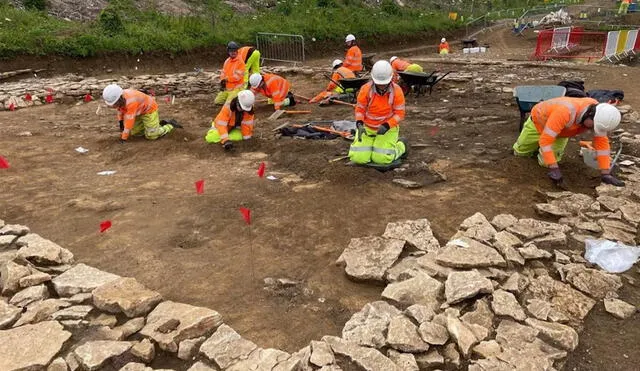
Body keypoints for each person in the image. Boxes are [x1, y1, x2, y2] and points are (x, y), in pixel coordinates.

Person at [512, 97, 624, 187]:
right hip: (538, 122)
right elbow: (545, 141)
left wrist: (606, 173)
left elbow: (602, 145)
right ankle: (530, 149)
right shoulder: (565, 112)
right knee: (520, 154)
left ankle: (541, 154)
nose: (593, 129)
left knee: (545, 163)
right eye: (593, 126)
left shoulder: (599, 116)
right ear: (589, 114)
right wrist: (554, 168)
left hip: (561, 133)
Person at [349, 60, 407, 165]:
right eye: (379, 84)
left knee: (382, 158)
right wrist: (359, 123)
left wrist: (387, 125)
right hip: (367, 128)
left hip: (387, 129)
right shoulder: (365, 89)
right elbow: (360, 109)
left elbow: (400, 114)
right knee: (358, 158)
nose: (381, 86)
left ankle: (402, 146)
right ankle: (373, 146)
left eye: (384, 84)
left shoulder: (397, 91)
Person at [102, 84, 181, 143]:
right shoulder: (121, 99)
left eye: (114, 103)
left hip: (149, 110)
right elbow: (120, 110)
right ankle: (154, 125)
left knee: (151, 136)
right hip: (138, 111)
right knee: (137, 133)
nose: (113, 106)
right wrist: (120, 121)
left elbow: (129, 122)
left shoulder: (130, 102)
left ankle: (170, 125)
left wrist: (123, 138)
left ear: (119, 98)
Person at [215, 41, 246, 105]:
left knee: (229, 104)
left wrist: (226, 79)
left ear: (237, 51)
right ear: (228, 51)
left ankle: (237, 100)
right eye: (231, 51)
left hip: (237, 89)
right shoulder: (227, 61)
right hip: (227, 88)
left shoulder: (240, 62)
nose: (233, 52)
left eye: (234, 50)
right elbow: (223, 72)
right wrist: (222, 80)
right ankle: (232, 99)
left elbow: (237, 77)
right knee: (217, 101)